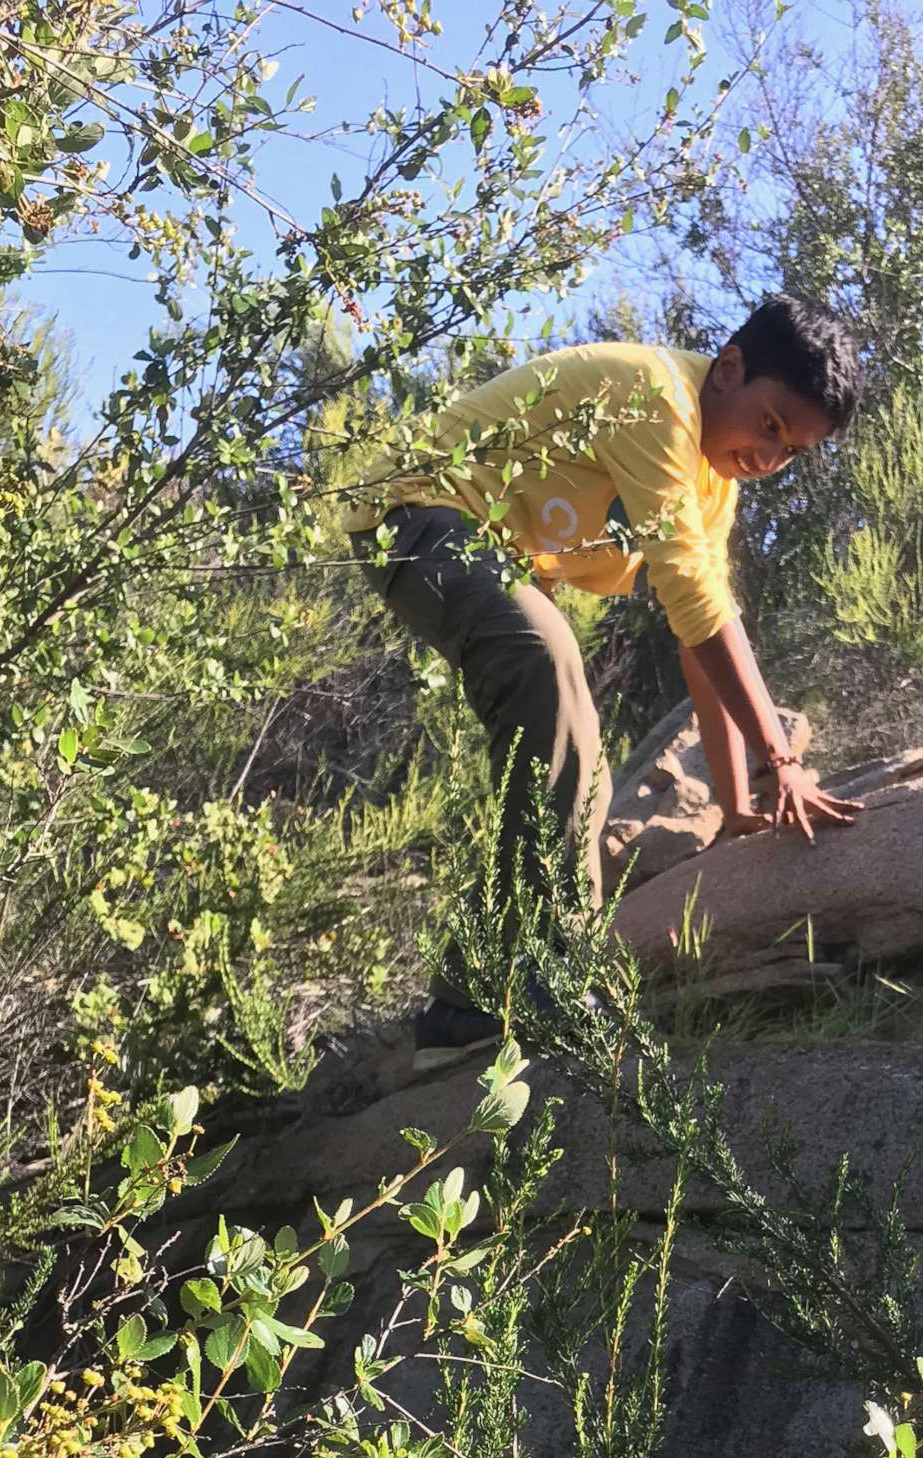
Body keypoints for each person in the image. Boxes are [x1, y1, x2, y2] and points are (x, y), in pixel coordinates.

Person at [348, 294, 864, 1055]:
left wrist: (733, 803)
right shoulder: (657, 399)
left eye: (791, 452)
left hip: (484, 550)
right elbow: (694, 603)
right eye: (770, 427)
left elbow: (699, 639)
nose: (768, 459)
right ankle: (547, 970)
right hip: (416, 515)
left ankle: (469, 991)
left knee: (561, 709)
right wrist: (779, 760)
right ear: (729, 369)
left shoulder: (711, 484)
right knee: (547, 665)